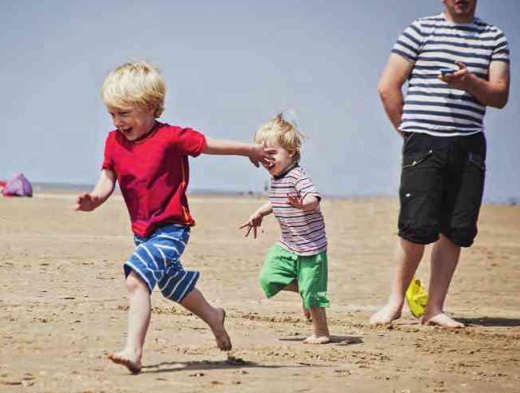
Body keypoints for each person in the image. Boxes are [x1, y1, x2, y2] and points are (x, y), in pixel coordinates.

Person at [74, 61, 274, 374]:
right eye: (112, 114)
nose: (117, 122)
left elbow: (209, 145)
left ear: (151, 107)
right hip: (142, 232)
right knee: (173, 286)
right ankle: (213, 315)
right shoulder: (113, 142)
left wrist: (249, 149)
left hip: (171, 228)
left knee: (136, 279)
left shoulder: (171, 137)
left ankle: (133, 350)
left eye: (124, 113)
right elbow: (107, 179)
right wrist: (95, 199)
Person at [370, 0, 510, 328]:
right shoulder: (420, 30)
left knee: (456, 229)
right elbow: (387, 86)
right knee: (415, 227)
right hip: (424, 141)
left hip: (469, 144)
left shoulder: (493, 36)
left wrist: (471, 83)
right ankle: (395, 302)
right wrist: (409, 133)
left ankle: (434, 308)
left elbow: (500, 95)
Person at [240, 114, 331, 344]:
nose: (266, 160)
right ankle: (304, 290)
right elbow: (276, 200)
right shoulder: (277, 179)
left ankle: (321, 332)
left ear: (291, 151)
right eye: (262, 155)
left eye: (272, 153)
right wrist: (260, 212)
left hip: (311, 247)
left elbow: (313, 197)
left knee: (314, 294)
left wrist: (303, 203)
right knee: (268, 278)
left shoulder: (297, 175)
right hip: (289, 244)